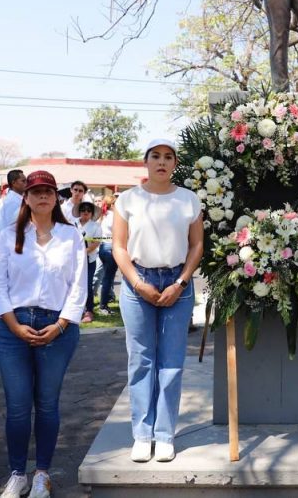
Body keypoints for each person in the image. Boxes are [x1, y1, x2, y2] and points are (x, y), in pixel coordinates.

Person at [0, 171, 88, 498]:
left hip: (58, 326)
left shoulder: (70, 235)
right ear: (26, 197)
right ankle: (17, 473)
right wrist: (14, 325)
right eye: (36, 191)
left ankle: (42, 473)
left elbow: (78, 286)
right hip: (13, 327)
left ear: (56, 197)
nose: (43, 196)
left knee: (47, 404)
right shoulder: (8, 235)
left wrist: (60, 325)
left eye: (48, 191)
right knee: (18, 405)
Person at [113, 138, 203, 463]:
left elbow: (196, 245)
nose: (161, 162)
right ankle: (142, 433)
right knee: (141, 359)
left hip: (177, 283)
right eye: (155, 156)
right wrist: (138, 284)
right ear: (146, 161)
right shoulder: (128, 199)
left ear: (175, 163)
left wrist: (181, 282)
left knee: (171, 362)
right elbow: (119, 246)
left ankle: (164, 434)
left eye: (168, 157)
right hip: (137, 281)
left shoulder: (188, 199)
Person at [75, 201, 102, 323]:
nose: (85, 212)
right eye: (83, 209)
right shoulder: (73, 224)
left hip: (89, 260)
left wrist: (84, 252)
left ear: (92, 213)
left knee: (87, 284)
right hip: (74, 260)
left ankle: (89, 310)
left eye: (88, 210)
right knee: (74, 285)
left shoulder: (96, 226)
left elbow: (96, 243)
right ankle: (76, 309)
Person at [96, 194, 119, 315]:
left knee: (106, 278)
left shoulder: (103, 216)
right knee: (108, 279)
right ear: (112, 204)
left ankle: (104, 302)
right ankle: (103, 306)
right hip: (110, 247)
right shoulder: (113, 216)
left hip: (103, 247)